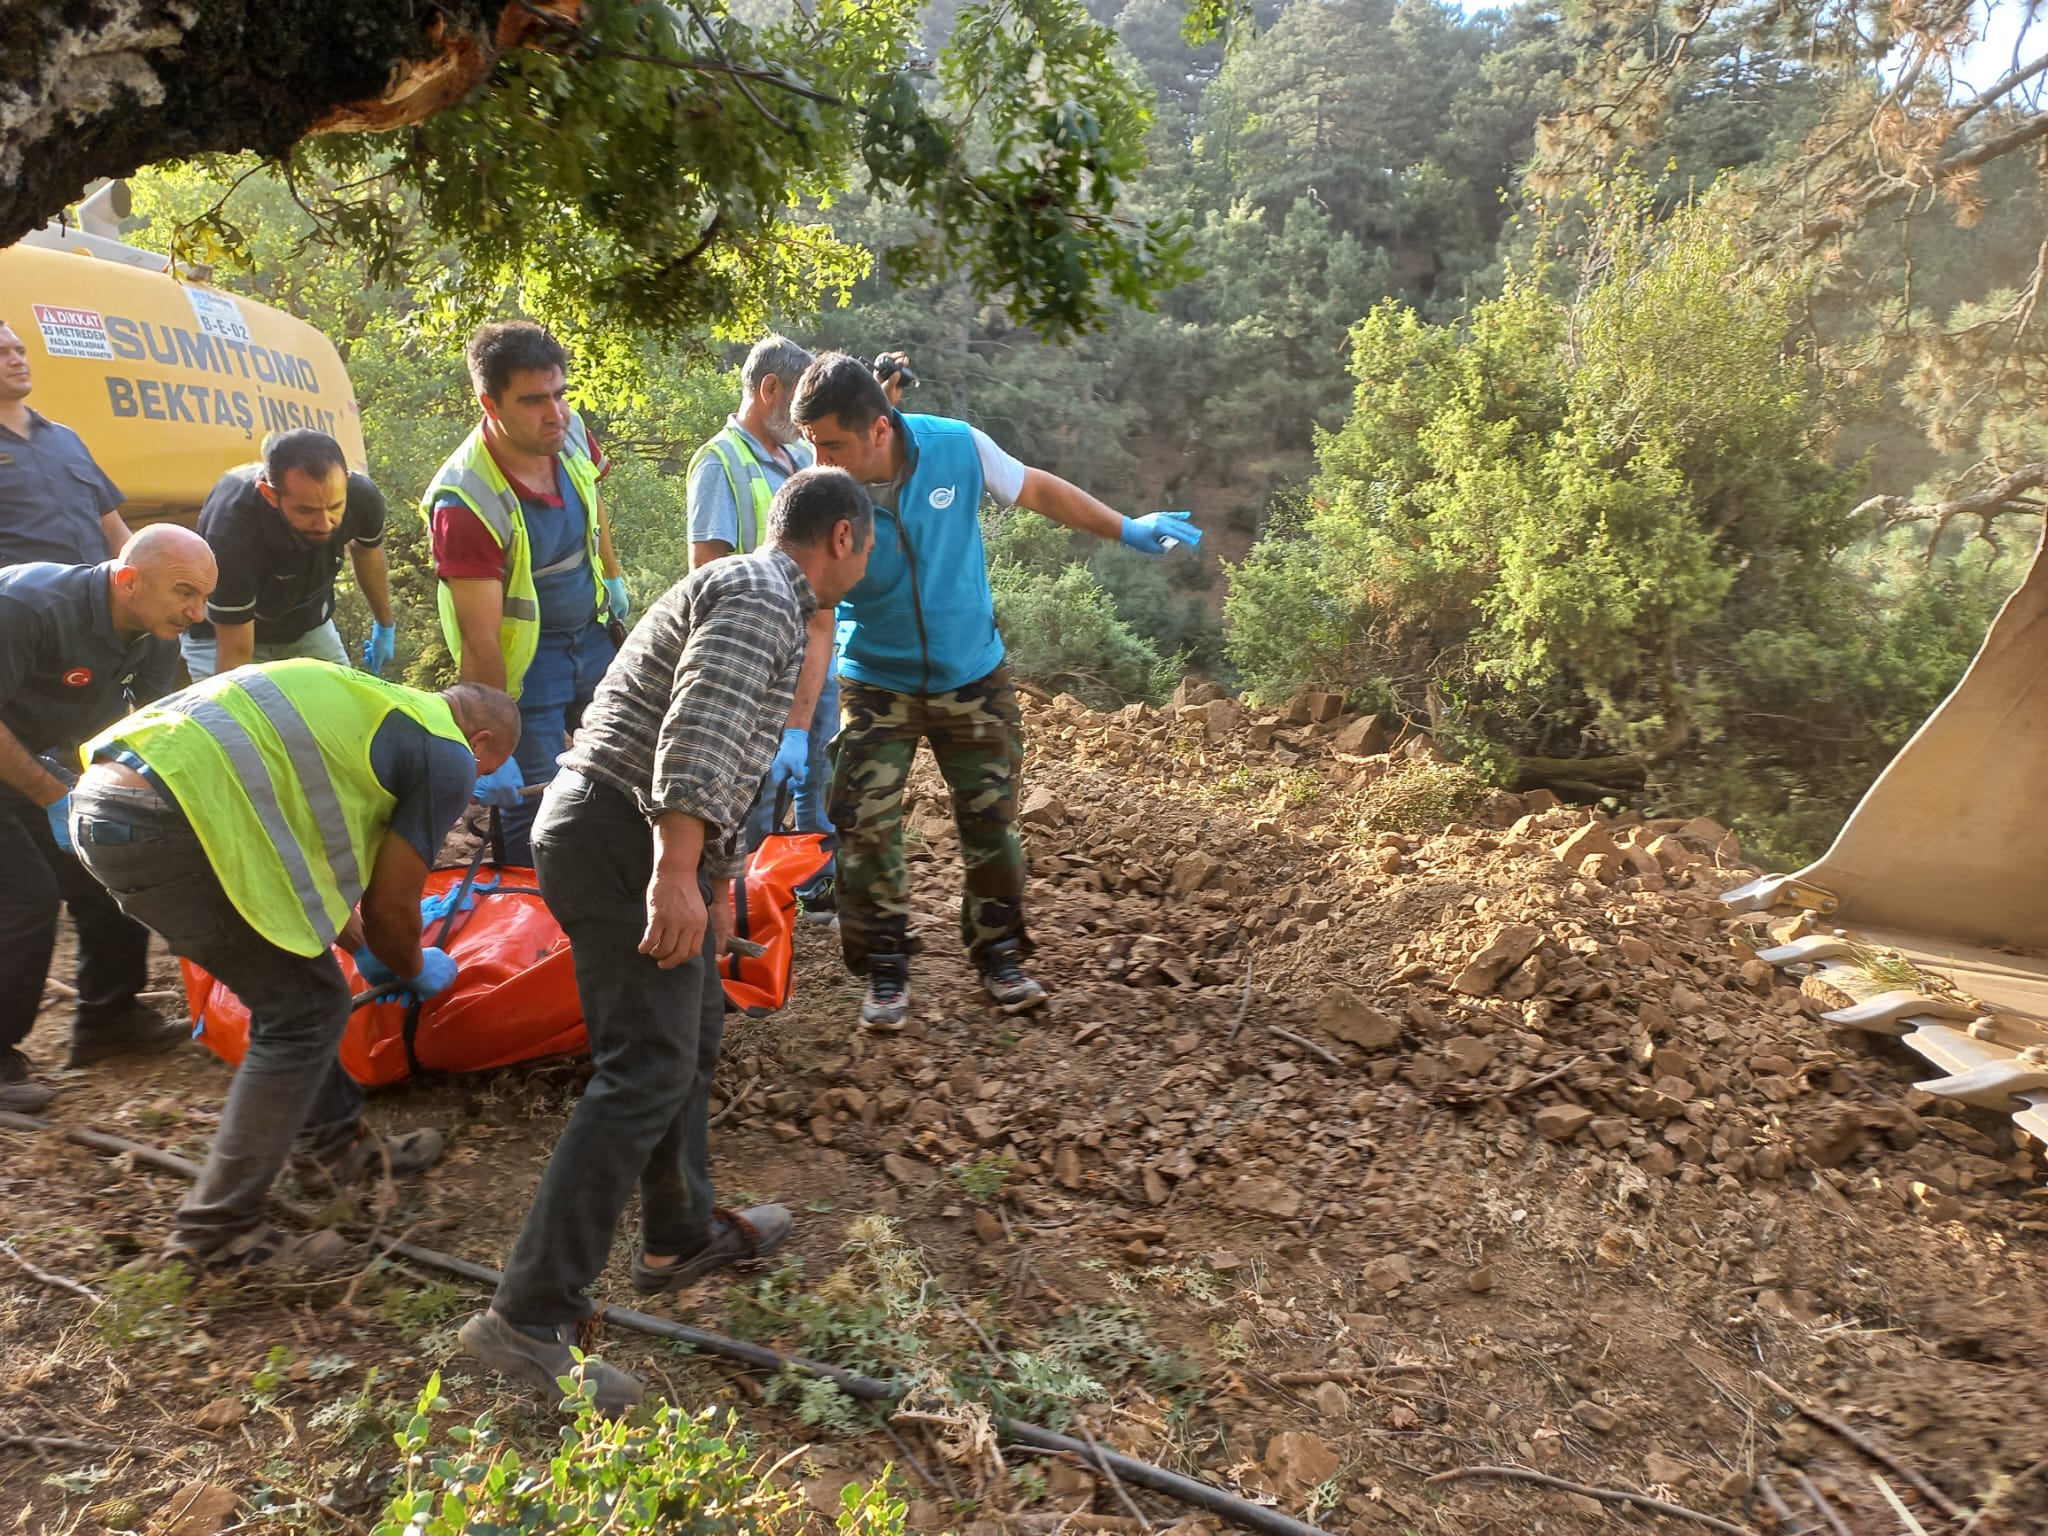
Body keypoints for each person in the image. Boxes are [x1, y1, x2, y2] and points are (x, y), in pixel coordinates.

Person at [459, 467, 875, 1413]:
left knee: (689, 1033)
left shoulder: (751, 590)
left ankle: (677, 1235)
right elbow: (698, 733)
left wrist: (714, 881)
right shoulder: (767, 595)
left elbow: (721, 756)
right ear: (843, 538)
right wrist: (675, 870)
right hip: (620, 834)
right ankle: (527, 1319)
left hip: (621, 828)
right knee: (643, 1064)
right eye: (868, 543)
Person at [790, 353, 1200, 1029]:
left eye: (831, 442)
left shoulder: (957, 447)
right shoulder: (823, 494)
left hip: (971, 676)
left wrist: (1126, 527)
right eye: (810, 443)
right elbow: (816, 613)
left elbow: (1037, 489)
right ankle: (885, 970)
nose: (819, 458)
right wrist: (792, 726)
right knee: (864, 827)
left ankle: (999, 955)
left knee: (992, 828)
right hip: (876, 682)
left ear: (880, 430)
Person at [69, 660, 521, 1272]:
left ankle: (331, 1150)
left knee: (302, 989)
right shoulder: (446, 751)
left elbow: (295, 853)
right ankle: (217, 1233)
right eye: (483, 773)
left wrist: (358, 942)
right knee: (304, 1010)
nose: (473, 784)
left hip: (108, 805)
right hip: (169, 821)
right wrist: (411, 965)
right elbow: (392, 907)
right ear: (482, 743)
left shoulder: (368, 706)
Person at [0, 526, 214, 1111]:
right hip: (12, 754)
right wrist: (51, 795)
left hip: (31, 754)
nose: (196, 614)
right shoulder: (26, 607)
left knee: (112, 866)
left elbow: (140, 733)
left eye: (204, 597)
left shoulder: (157, 634)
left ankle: (109, 1017)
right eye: (184, 593)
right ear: (128, 580)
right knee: (24, 898)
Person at [422, 320, 628, 864]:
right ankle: (532, 931)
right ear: (490, 404)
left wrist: (612, 573)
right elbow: (480, 637)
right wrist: (491, 736)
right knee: (532, 808)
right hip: (526, 670)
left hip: (593, 639)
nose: (554, 413)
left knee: (627, 771)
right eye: (534, 400)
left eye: (559, 394)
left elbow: (593, 498)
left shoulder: (570, 431)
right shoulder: (465, 501)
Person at [686, 335, 836, 856]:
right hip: (761, 656)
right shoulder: (718, 462)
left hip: (814, 644)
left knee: (818, 775)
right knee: (754, 790)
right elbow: (709, 572)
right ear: (770, 389)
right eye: (796, 404)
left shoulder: (798, 458)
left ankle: (810, 890)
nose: (802, 421)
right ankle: (746, 902)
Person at [180, 430, 398, 681]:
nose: (325, 523)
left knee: (344, 711)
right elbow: (236, 656)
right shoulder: (232, 530)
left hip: (306, 626)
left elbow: (366, 551)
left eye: (335, 507)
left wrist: (385, 624)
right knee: (236, 715)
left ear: (346, 482)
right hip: (222, 636)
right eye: (307, 511)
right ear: (270, 495)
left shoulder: (363, 498)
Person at [0, 318, 133, 568]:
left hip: (94, 598)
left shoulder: (66, 439)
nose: (17, 360)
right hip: (22, 604)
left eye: (20, 351)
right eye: (1, 353)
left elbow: (114, 529)